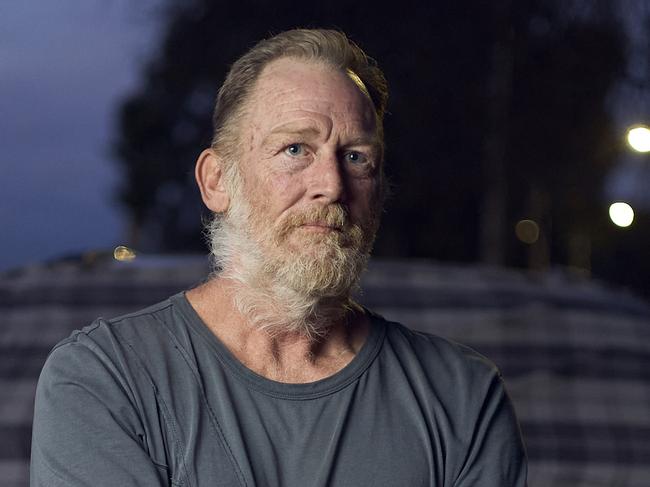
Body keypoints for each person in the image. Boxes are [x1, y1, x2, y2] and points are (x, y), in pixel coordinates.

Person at [31, 29, 527, 486]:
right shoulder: (105, 378)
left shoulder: (462, 395)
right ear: (216, 181)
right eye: (295, 149)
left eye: (357, 157)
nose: (331, 186)